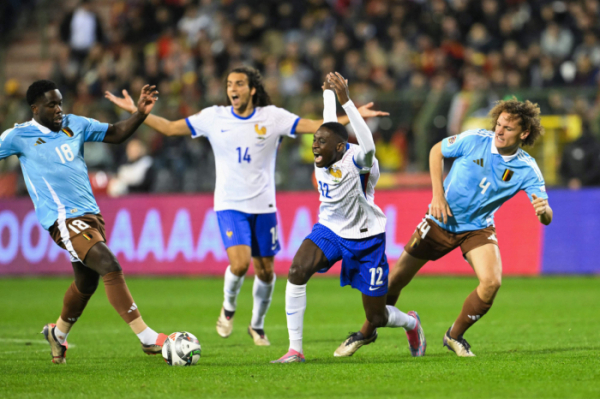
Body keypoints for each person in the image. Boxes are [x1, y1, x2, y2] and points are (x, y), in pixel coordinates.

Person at [105, 66, 388, 346]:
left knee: (266, 271)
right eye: (229, 84)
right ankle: (228, 309)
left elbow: (321, 130)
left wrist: (353, 114)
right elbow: (168, 128)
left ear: (252, 89)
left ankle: (257, 325)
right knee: (240, 264)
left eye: (239, 84)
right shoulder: (213, 117)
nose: (232, 89)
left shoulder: (273, 117)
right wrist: (139, 112)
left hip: (264, 204)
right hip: (229, 203)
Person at [344, 98, 553, 358]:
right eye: (498, 124)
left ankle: (454, 335)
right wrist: (437, 195)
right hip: (441, 219)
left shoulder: (527, 168)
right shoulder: (476, 139)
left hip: (478, 228)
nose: (499, 131)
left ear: (523, 133)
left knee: (491, 282)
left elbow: (546, 215)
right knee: (395, 281)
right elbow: (436, 151)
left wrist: (544, 212)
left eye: (507, 128)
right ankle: (366, 332)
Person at [0, 80, 165, 364]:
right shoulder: (18, 136)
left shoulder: (75, 123)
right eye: (51, 104)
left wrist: (140, 114)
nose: (58, 109)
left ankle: (58, 334)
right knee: (109, 265)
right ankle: (147, 338)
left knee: (86, 282)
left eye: (60, 102)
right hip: (63, 218)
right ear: (35, 108)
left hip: (91, 215)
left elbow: (115, 133)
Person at [271, 73, 425, 363]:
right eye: (315, 140)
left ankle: (411, 323)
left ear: (339, 147)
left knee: (376, 317)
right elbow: (329, 122)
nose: (315, 146)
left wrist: (346, 100)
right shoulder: (326, 150)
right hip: (329, 230)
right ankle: (295, 350)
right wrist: (329, 94)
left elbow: (368, 146)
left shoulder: (358, 159)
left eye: (321, 142)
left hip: (366, 238)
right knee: (296, 271)